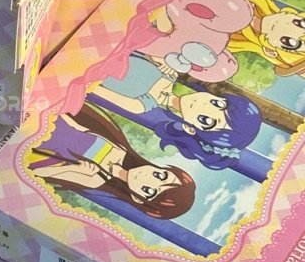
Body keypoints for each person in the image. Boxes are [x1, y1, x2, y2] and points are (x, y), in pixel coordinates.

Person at [88, 53, 262, 169]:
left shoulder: (140, 105)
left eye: (207, 121)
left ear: (190, 129)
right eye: (218, 104)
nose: (204, 106)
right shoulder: (170, 72)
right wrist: (160, 59)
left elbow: (91, 89)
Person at [28, 104, 196, 220]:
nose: (147, 178)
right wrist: (54, 109)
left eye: (149, 190)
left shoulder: (96, 179)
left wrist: (75, 170)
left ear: (138, 199)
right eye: (160, 175)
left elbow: (36, 173)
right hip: (48, 116)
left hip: (36, 145)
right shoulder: (120, 149)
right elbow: (79, 128)